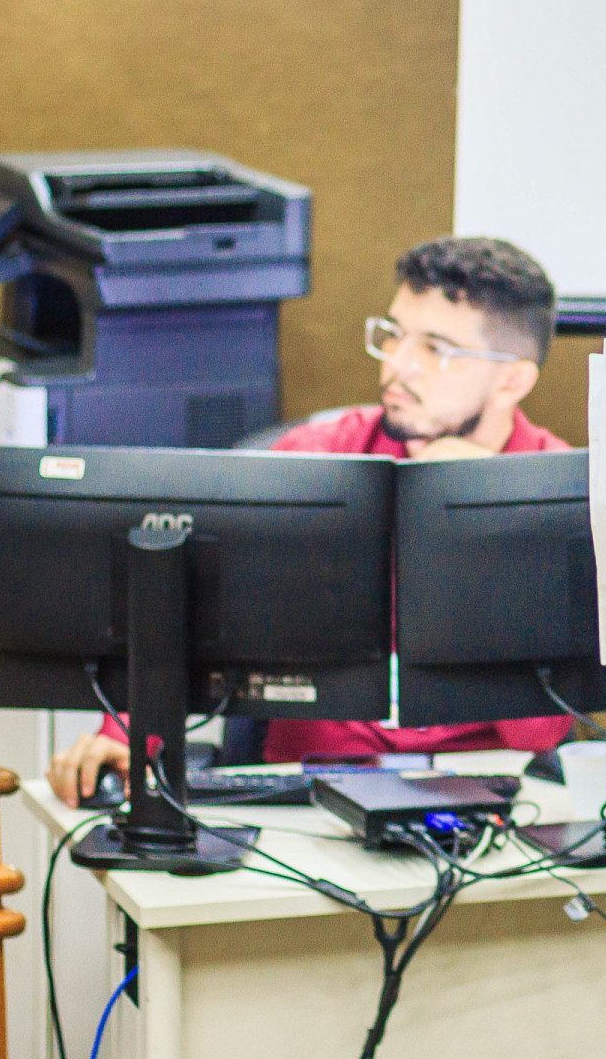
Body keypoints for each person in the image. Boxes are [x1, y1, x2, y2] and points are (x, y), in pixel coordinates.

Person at [48, 236, 576, 807]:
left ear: (512, 380)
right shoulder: (320, 459)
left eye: (436, 349)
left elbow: (539, 732)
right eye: (395, 334)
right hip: (308, 792)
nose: (396, 364)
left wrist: (478, 531)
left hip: (480, 790)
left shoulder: (557, 493)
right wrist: (127, 733)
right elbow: (188, 606)